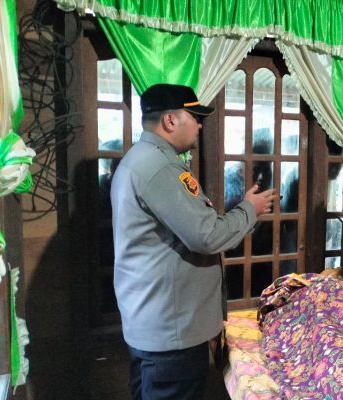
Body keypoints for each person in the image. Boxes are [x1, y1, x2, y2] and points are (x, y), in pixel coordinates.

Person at [111, 84, 275, 400]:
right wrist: (249, 210)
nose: (199, 125)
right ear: (170, 120)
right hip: (172, 332)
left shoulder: (139, 159)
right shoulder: (160, 167)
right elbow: (207, 235)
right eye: (195, 117)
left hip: (153, 320)